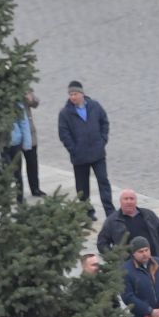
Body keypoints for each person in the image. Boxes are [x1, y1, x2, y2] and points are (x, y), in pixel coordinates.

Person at [56, 80, 111, 217]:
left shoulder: (95, 106)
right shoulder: (65, 113)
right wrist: (73, 149)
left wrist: (102, 140)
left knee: (103, 181)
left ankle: (110, 211)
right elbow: (64, 134)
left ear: (82, 93)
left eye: (75, 93)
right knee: (82, 187)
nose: (73, 97)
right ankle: (87, 211)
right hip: (79, 157)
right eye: (70, 94)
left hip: (97, 154)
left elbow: (104, 122)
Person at [97, 189, 159, 257]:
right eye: (126, 199)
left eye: (132, 198)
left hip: (153, 259)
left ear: (136, 201)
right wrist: (115, 258)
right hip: (128, 265)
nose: (129, 201)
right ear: (120, 201)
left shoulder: (148, 214)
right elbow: (102, 243)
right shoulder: (112, 221)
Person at [2, 92, 42, 202]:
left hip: (24, 136)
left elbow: (35, 103)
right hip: (8, 141)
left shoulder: (21, 94)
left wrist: (30, 98)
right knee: (9, 169)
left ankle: (33, 189)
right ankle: (7, 195)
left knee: (31, 164)